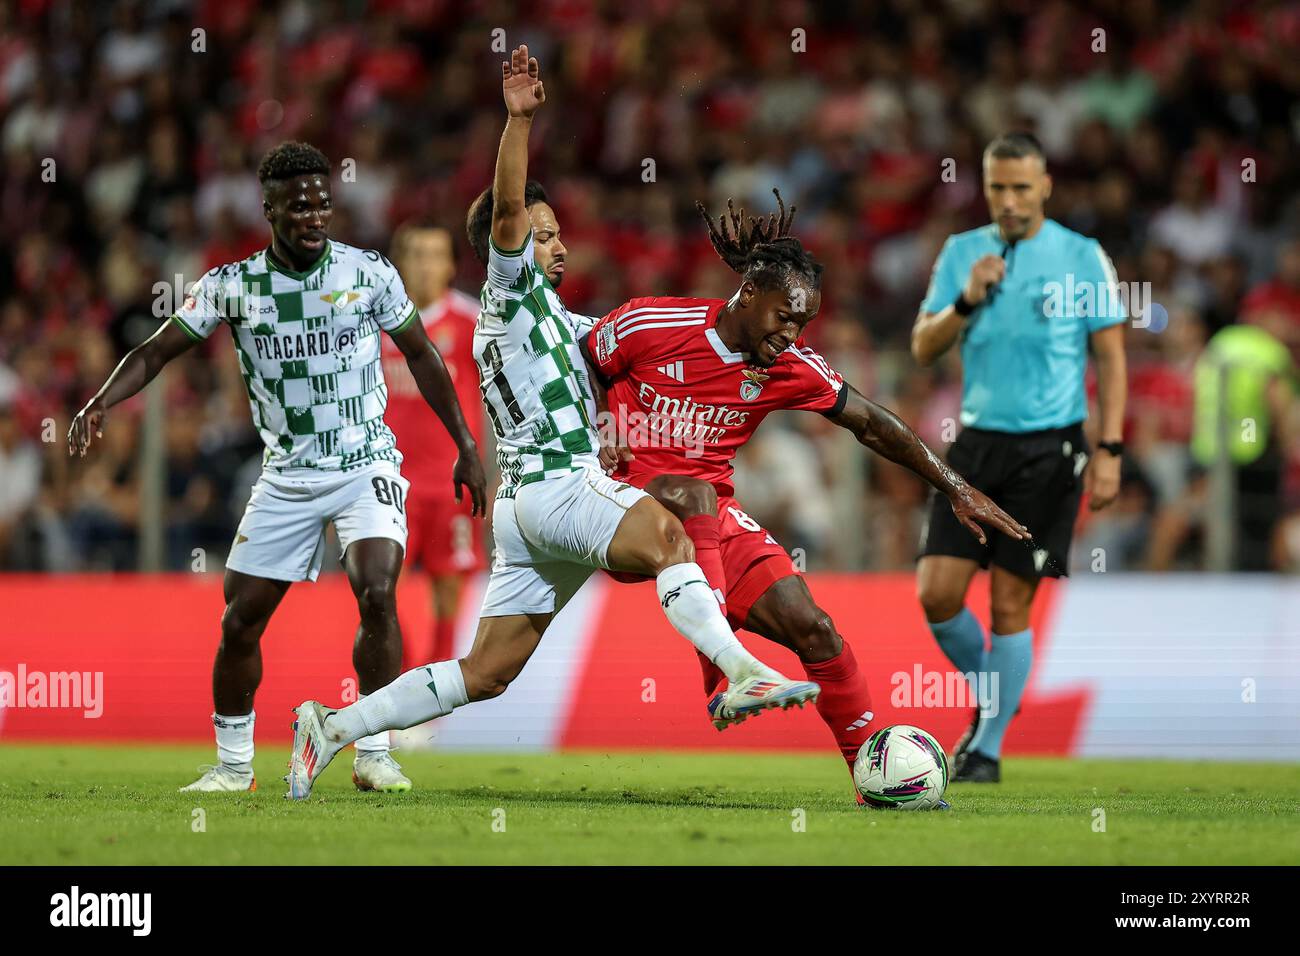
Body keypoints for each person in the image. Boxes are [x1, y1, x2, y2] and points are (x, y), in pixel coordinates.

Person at [285, 46, 817, 800]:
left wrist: (750, 309)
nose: (557, 242)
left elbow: (653, 342)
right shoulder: (507, 297)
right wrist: (518, 122)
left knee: (486, 673)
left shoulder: (568, 324)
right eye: (542, 233)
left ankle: (332, 727)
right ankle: (740, 673)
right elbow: (504, 212)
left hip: (524, 510)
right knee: (669, 532)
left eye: (558, 231)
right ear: (504, 248)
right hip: (558, 484)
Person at [68, 141, 487, 794]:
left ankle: (373, 751)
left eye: (323, 204)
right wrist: (101, 399)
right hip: (287, 475)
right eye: (299, 207)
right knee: (241, 620)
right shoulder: (233, 286)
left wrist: (464, 442)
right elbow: (156, 353)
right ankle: (235, 766)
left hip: (364, 461)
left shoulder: (368, 272)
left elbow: (425, 355)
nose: (315, 216)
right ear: (268, 209)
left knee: (377, 588)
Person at [584, 191, 1028, 800]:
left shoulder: (787, 364)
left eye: (803, 324)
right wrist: (597, 437)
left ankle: (872, 772)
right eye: (783, 318)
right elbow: (580, 365)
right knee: (694, 494)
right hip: (619, 501)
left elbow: (872, 422)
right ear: (747, 296)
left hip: (708, 519)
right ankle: (723, 674)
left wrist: (955, 486)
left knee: (814, 628)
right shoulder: (651, 324)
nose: (790, 334)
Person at [910, 132, 1128, 782]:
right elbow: (924, 346)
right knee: (937, 593)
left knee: (1010, 604)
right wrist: (967, 299)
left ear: (1045, 187)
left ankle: (988, 749)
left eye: (1021, 188)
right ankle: (997, 701)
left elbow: (1111, 357)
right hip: (976, 445)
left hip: (1052, 449)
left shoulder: (1082, 256)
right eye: (998, 187)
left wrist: (1110, 448)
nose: (1008, 200)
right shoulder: (962, 253)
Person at [381, 222, 486, 667]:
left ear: (450, 265)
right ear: (400, 264)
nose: (424, 265)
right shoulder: (375, 321)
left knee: (449, 585)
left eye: (434, 255)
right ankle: (400, 677)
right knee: (380, 586)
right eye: (415, 254)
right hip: (387, 482)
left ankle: (435, 685)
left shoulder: (472, 322)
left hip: (450, 482)